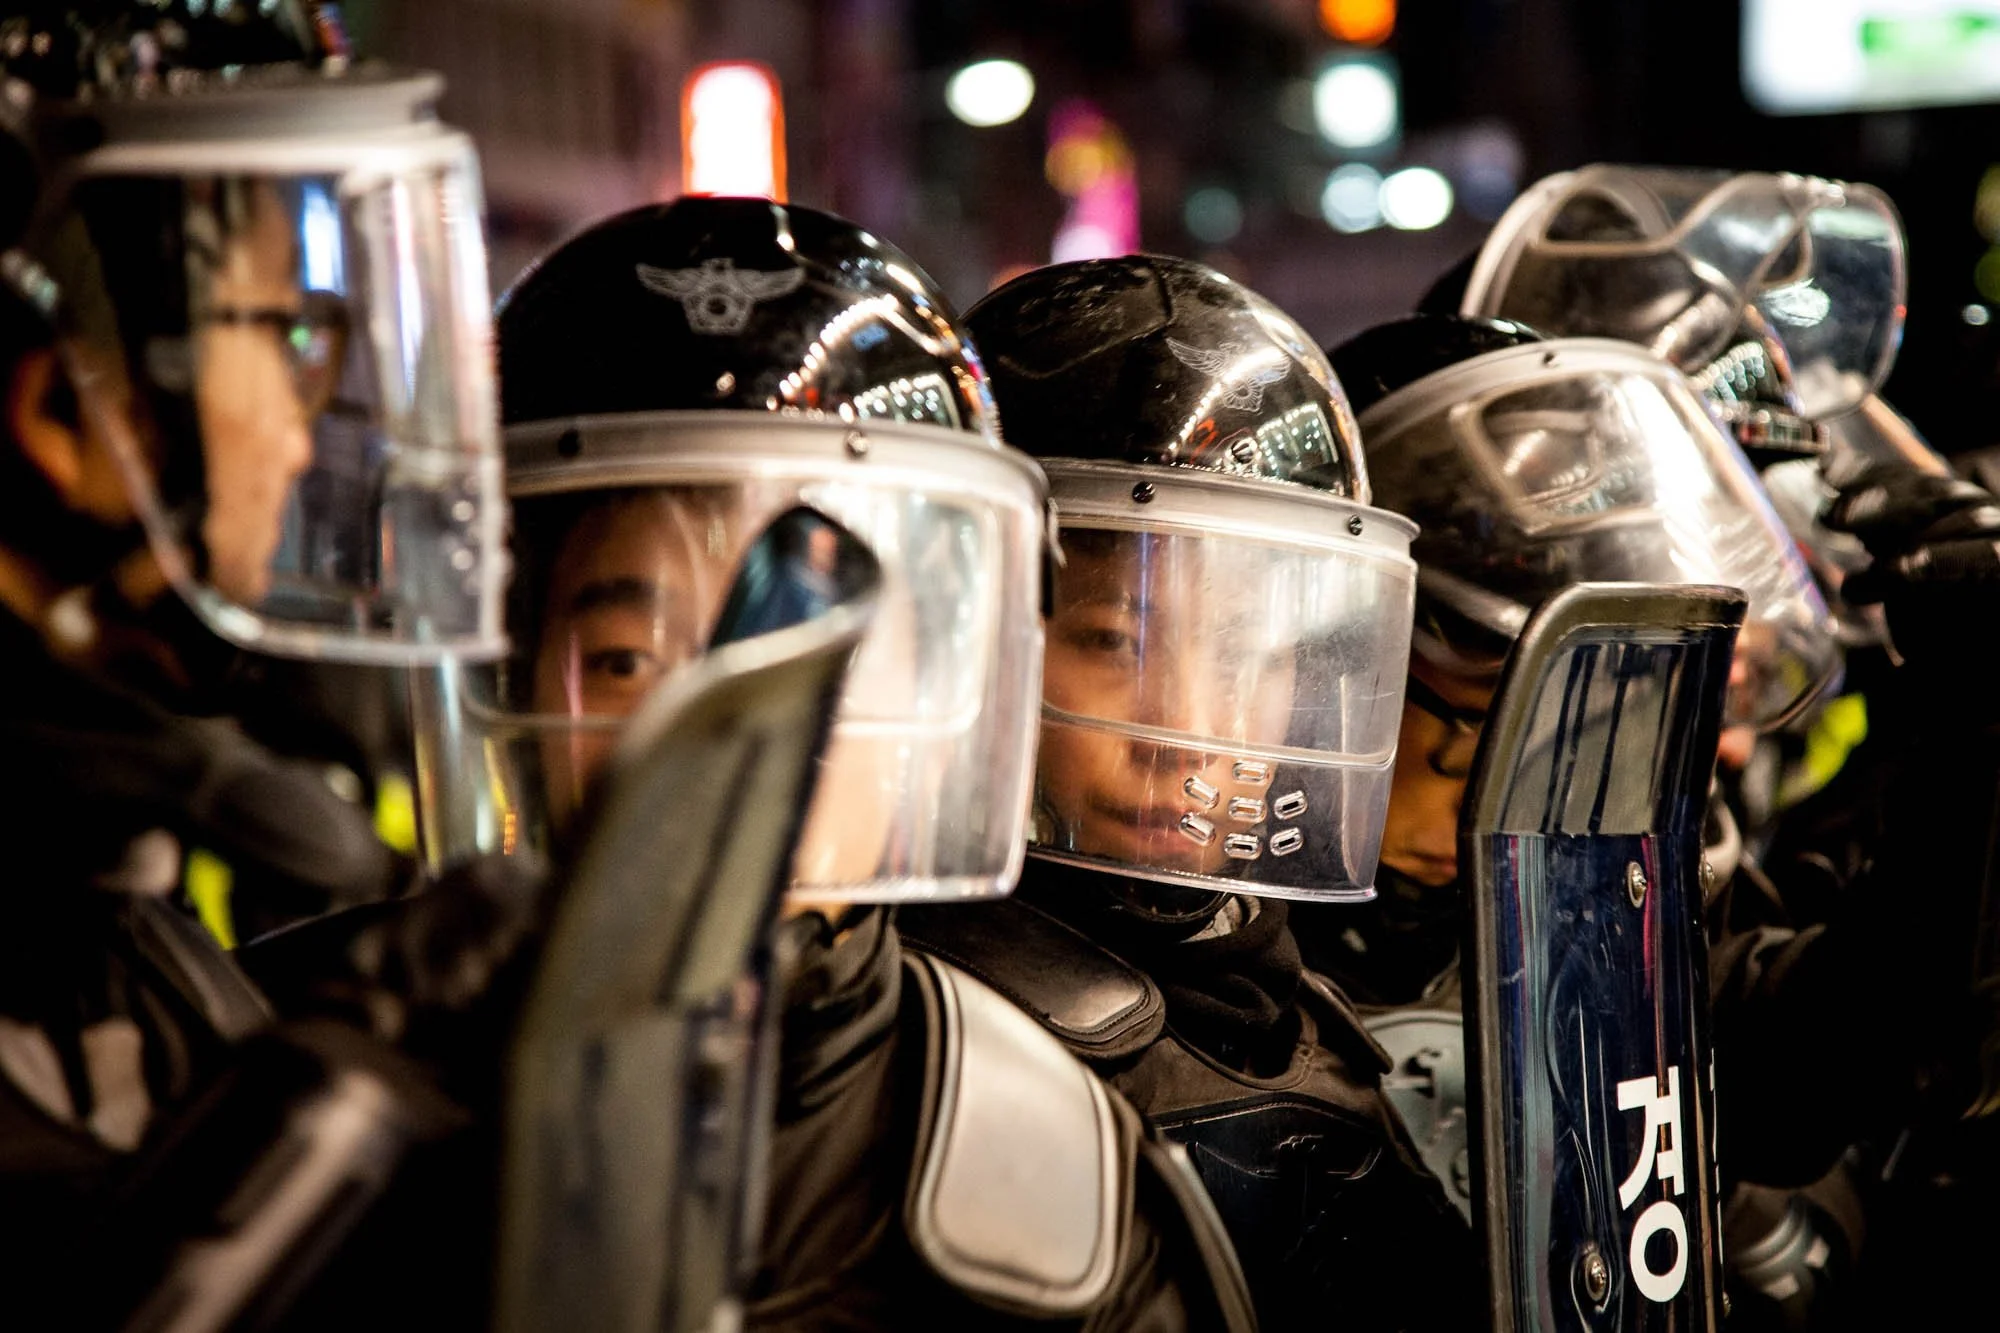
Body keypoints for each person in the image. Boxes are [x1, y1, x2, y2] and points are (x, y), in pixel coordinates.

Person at [486, 197, 1256, 1332]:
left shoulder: (1064, 1193)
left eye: (819, 647)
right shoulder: (319, 1123)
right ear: (508, 683)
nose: (743, 726)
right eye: (625, 661)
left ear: (936, 685)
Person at [0, 0, 517, 1319]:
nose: (306, 432)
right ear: (67, 411)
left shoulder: (101, 867)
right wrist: (332, 1095)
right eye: (282, 338)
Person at [897, 254, 1477, 1333]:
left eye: (1246, 653)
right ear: (976, 642)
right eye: (1116, 642)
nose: (1192, 727)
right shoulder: (917, 1046)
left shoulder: (1294, 1006)